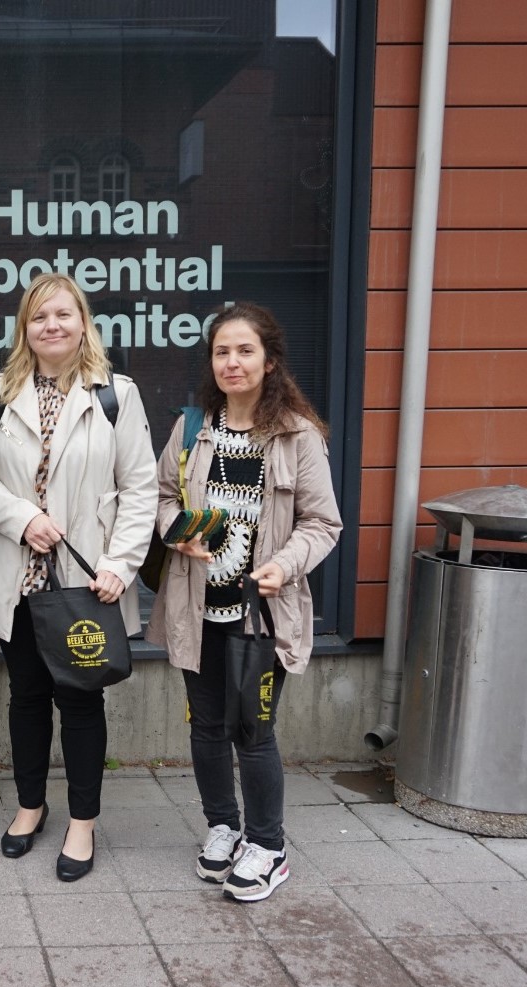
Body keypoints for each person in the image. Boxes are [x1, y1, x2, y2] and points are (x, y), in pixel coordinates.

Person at [0, 273, 157, 882]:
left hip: (85, 581)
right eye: (40, 317)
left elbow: (141, 488)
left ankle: (83, 822)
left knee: (81, 700)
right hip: (19, 579)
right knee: (26, 699)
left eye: (64, 315)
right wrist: (21, 519)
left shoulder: (116, 394)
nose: (52, 326)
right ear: (25, 329)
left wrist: (122, 566)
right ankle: (30, 806)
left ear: (83, 322)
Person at [147, 301, 342, 902]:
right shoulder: (191, 426)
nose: (232, 362)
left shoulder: (297, 436)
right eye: (222, 352)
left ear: (270, 360)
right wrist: (180, 529)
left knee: (253, 729)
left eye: (245, 350)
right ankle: (223, 827)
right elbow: (159, 497)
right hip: (196, 607)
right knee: (206, 727)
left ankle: (269, 845)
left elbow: (323, 523)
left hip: (260, 613)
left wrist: (284, 564)